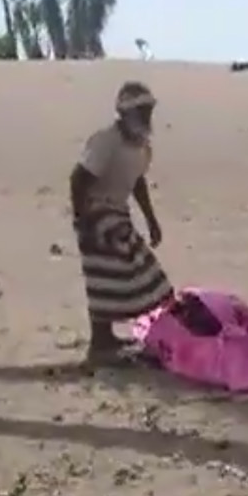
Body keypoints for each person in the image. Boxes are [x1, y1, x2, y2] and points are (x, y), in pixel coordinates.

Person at [70, 81, 173, 365]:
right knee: (115, 271)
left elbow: (137, 182)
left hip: (118, 213)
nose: (147, 117)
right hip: (97, 215)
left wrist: (151, 220)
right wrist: (84, 219)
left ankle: (103, 340)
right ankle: (100, 344)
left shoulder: (141, 148)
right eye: (141, 111)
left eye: (149, 110)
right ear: (126, 113)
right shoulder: (106, 141)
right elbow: (79, 179)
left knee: (115, 277)